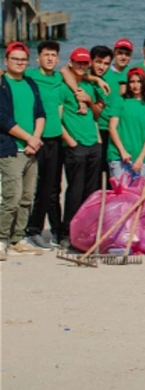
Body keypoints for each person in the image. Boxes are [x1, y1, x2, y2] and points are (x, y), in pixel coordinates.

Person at [0, 42, 46, 259]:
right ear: (6, 60)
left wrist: (35, 139)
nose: (19, 63)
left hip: (31, 149)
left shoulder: (30, 83)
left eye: (23, 59)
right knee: (12, 196)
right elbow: (3, 119)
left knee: (27, 197)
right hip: (11, 149)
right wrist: (28, 138)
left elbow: (40, 113)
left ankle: (17, 238)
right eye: (15, 59)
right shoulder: (2, 84)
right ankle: (1, 239)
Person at [58, 48, 101, 247]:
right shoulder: (63, 86)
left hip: (92, 143)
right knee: (74, 191)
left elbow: (96, 115)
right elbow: (56, 119)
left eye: (85, 63)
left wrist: (89, 101)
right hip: (76, 145)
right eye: (78, 63)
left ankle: (86, 232)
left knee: (90, 192)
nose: (82, 67)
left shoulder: (89, 86)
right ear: (71, 63)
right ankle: (68, 232)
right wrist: (70, 141)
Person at [25, 40, 65, 250]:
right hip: (35, 138)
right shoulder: (30, 76)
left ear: (58, 59)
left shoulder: (59, 77)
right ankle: (33, 230)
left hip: (55, 138)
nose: (50, 58)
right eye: (46, 54)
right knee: (36, 187)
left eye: (53, 55)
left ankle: (57, 231)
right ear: (38, 58)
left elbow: (72, 72)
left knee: (54, 187)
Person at [106, 67, 145, 181]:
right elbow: (112, 128)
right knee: (120, 195)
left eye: (139, 81)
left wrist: (141, 159)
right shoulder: (119, 100)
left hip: (139, 158)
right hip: (119, 157)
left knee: (137, 196)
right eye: (132, 82)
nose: (136, 85)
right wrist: (122, 151)